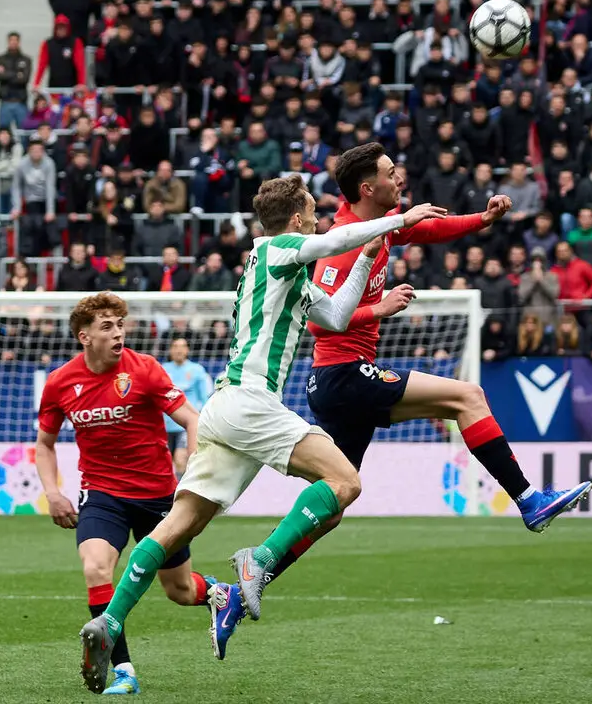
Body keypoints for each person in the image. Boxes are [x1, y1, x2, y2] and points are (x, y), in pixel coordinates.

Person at [77, 175, 445, 691]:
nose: (318, 218)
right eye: (313, 211)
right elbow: (333, 240)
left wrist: (368, 259)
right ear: (296, 219)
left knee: (179, 526)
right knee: (344, 483)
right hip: (251, 400)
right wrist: (396, 221)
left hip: (227, 406)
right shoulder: (278, 248)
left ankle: (109, 620)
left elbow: (336, 316)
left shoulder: (279, 268)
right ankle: (261, 560)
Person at [273, 142, 592, 584]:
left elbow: (426, 231)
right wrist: (379, 310)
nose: (399, 178)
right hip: (341, 375)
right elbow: (318, 325)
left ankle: (254, 574)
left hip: (344, 380)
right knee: (467, 396)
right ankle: (528, 499)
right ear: (367, 188)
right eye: (389, 173)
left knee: (333, 502)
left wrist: (482, 220)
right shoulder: (339, 246)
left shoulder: (379, 226)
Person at [38, 293, 213, 696]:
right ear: (85, 337)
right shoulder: (61, 382)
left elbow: (191, 418)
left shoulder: (146, 370)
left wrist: (193, 465)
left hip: (156, 496)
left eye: (120, 325)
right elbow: (45, 444)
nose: (118, 333)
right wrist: (53, 491)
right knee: (96, 568)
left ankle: (219, 593)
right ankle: (123, 671)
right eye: (106, 326)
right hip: (102, 494)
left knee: (180, 591)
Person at [161, 337, 213, 477]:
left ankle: (179, 493)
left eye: (182, 346)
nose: (179, 349)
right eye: (175, 346)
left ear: (187, 350)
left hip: (185, 426)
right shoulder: (163, 369)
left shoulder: (196, 370)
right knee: (165, 463)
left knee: (180, 459)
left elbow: (204, 398)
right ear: (171, 350)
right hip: (166, 425)